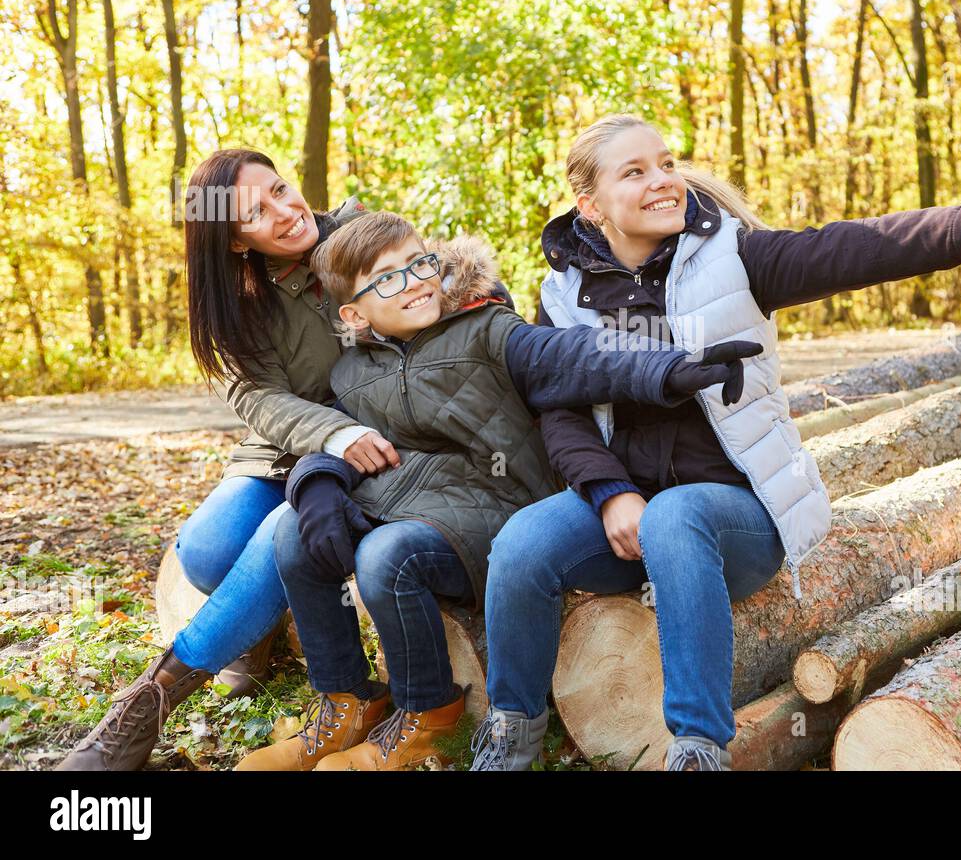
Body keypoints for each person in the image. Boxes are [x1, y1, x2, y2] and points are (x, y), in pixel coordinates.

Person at [469, 113, 961, 770]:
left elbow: (855, 246)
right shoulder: (563, 293)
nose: (663, 181)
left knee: (678, 514)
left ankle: (699, 747)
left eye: (667, 164)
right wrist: (610, 492)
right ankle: (511, 733)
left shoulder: (737, 257)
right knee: (522, 545)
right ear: (591, 205)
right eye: (635, 172)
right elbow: (561, 412)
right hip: (631, 517)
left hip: (740, 518)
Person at [233, 210, 759, 770]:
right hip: (416, 504)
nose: (413, 282)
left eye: (419, 263)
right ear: (353, 314)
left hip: (497, 513)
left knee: (388, 556)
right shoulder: (352, 373)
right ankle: (346, 699)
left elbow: (577, 356)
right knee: (293, 532)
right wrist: (317, 481)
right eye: (388, 278)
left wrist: (669, 370)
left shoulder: (487, 331)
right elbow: (337, 435)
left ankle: (428, 713)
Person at [58, 150, 402, 771]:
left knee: (278, 537)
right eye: (256, 212)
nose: (285, 211)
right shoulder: (238, 301)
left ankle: (140, 714)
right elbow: (257, 397)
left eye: (281, 189)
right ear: (236, 241)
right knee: (209, 553)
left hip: (372, 447)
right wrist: (331, 433)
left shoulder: (360, 240)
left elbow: (442, 298)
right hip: (287, 447)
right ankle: (259, 626)